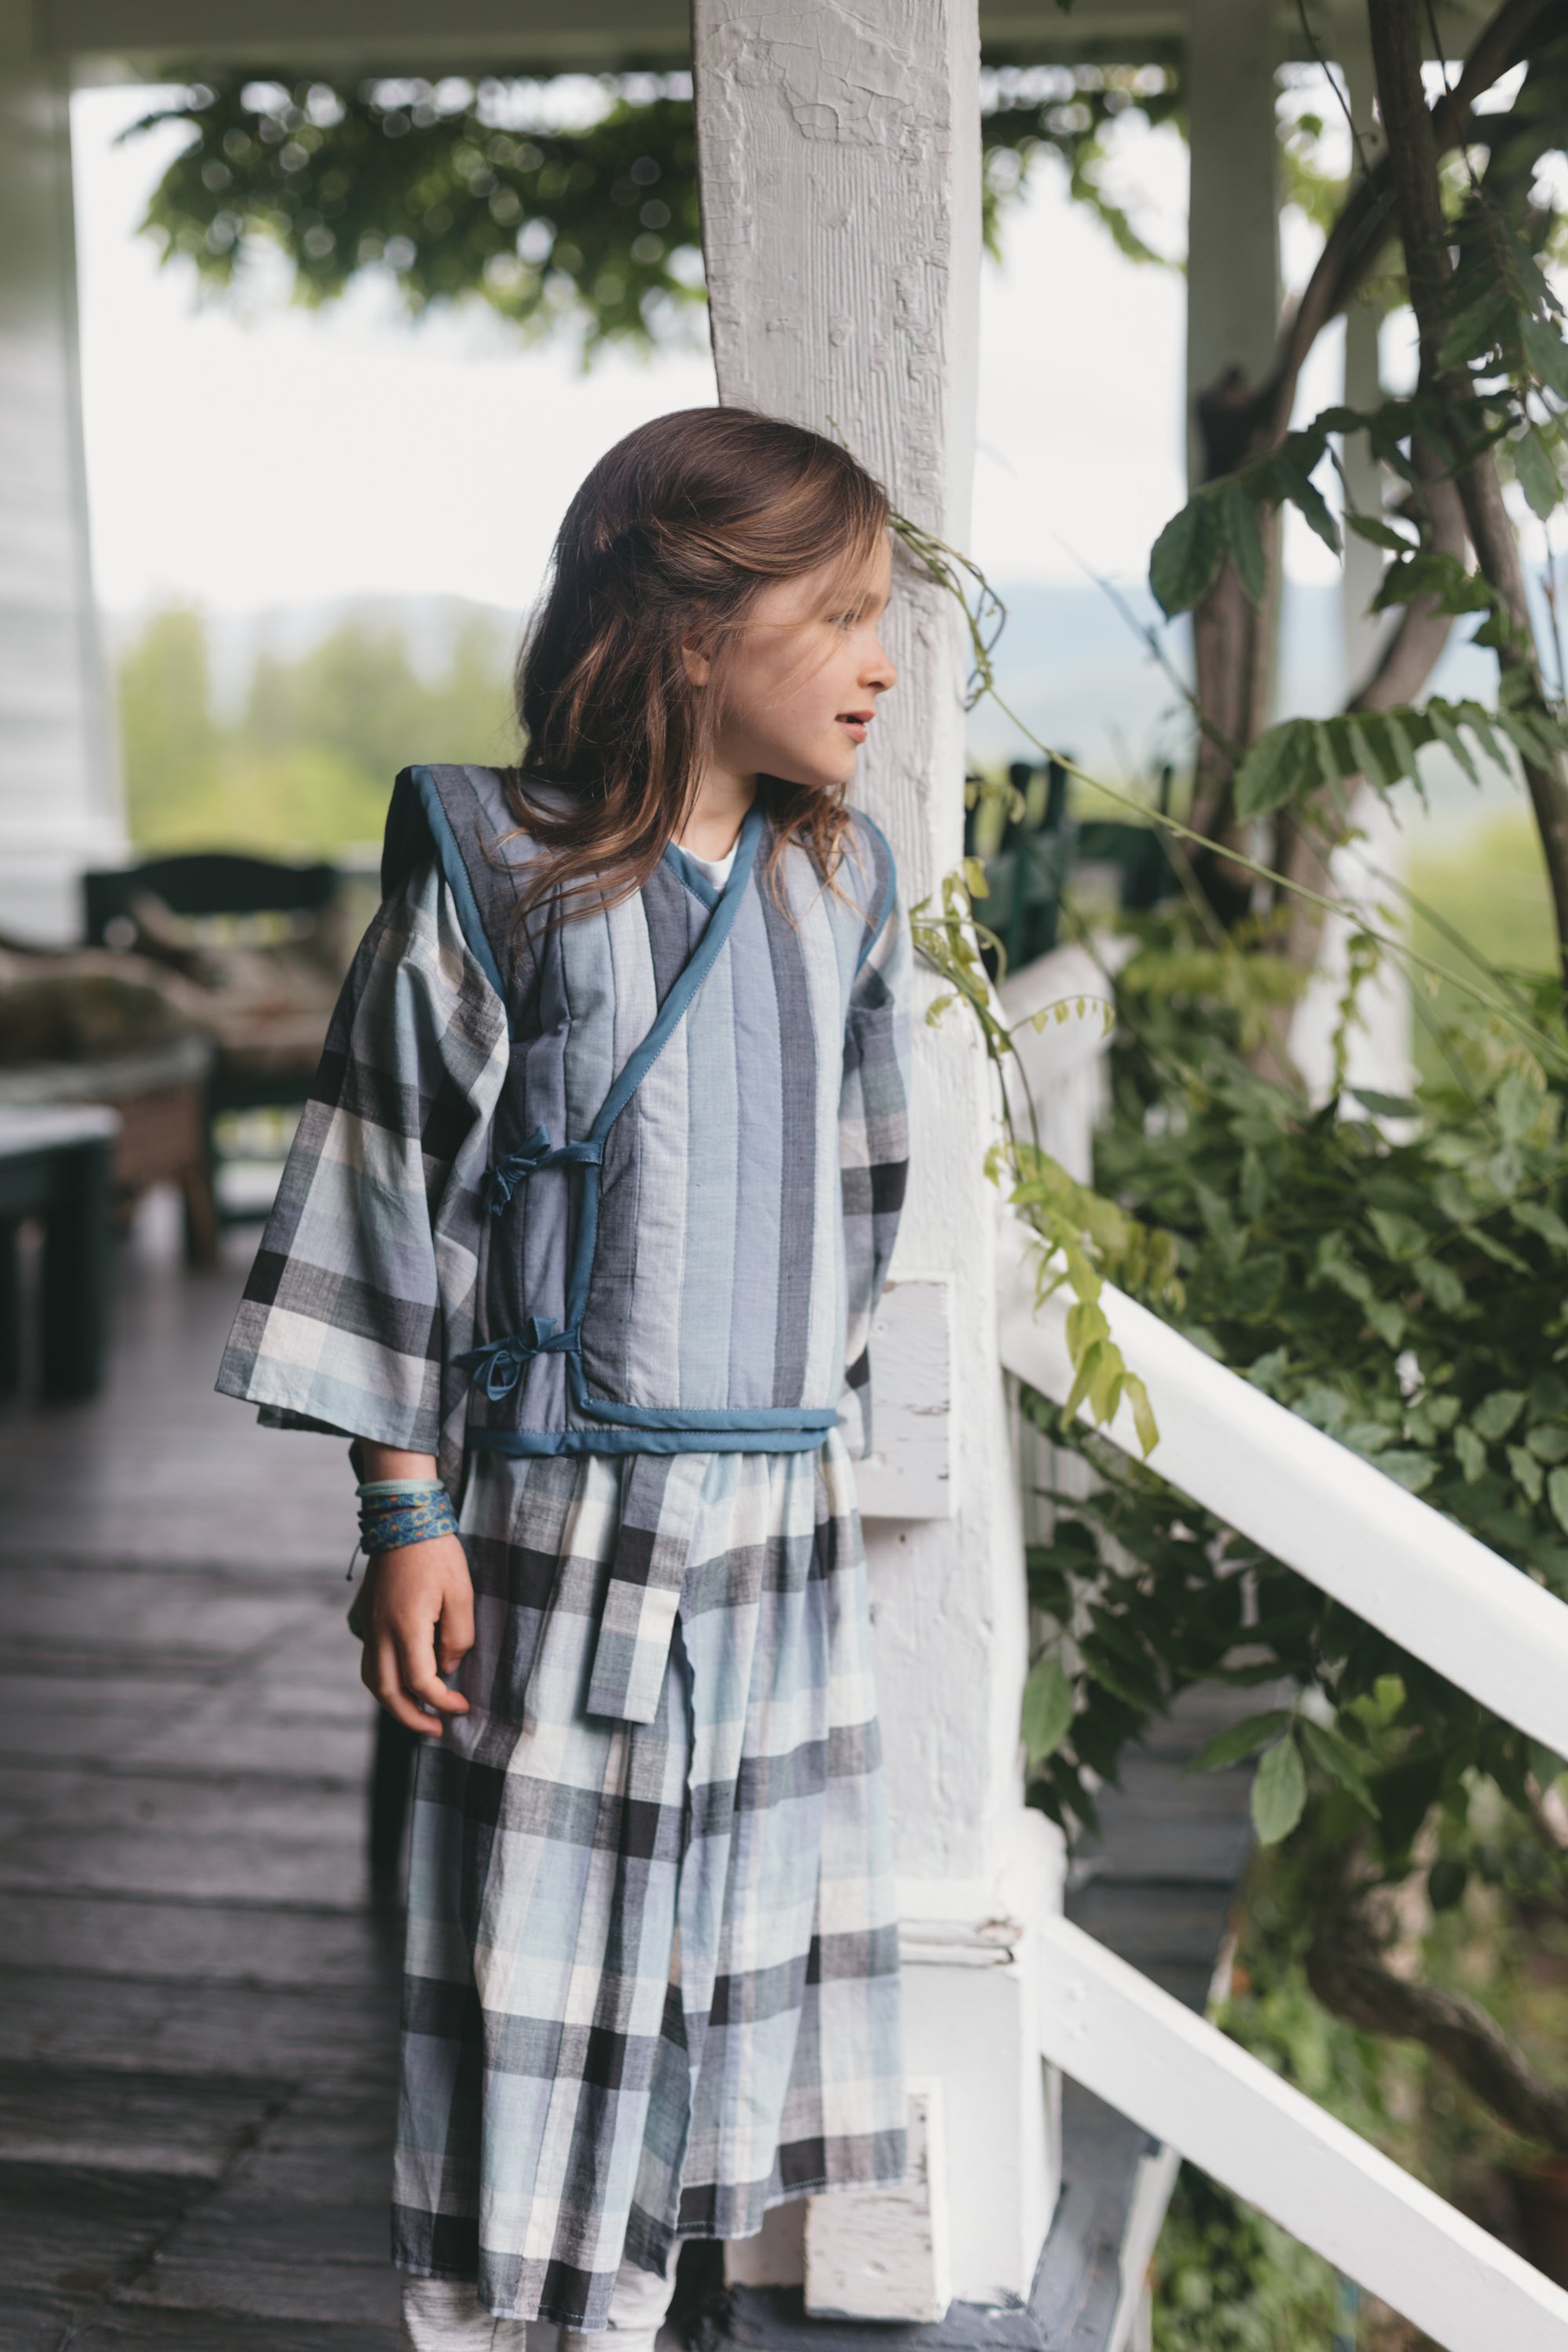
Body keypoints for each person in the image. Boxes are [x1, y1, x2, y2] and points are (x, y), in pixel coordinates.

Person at [217, 406, 912, 2351]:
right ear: (690, 631)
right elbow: (384, 1189)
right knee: (540, 1984)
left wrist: (789, 1430)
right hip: (558, 1525)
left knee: (724, 1970)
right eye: (841, 614)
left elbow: (863, 1190)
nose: (879, 662)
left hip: (775, 1525)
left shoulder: (843, 888)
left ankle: (658, 2311)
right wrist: (406, 1508)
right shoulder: (500, 872)